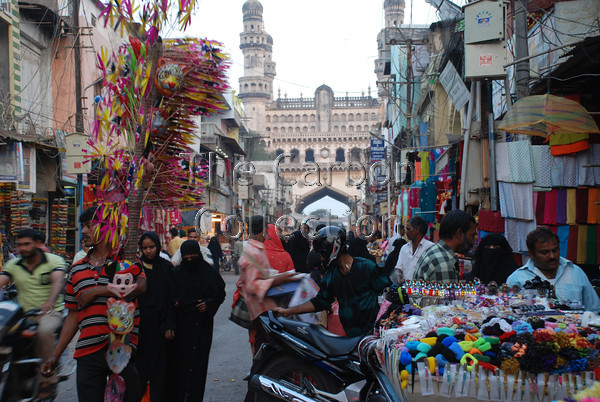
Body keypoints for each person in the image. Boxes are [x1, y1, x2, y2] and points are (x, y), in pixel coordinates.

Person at [41, 206, 146, 402]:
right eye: (83, 226)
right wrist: (55, 355)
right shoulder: (76, 269)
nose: (85, 231)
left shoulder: (125, 260)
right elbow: (73, 315)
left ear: (106, 227)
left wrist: (99, 290)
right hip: (87, 350)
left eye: (89, 225)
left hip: (121, 348)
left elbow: (140, 287)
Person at [276, 226, 392, 337]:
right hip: (349, 337)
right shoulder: (331, 275)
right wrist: (288, 311)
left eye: (323, 253)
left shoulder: (366, 267)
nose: (321, 258)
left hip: (373, 334)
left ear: (334, 248)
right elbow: (320, 302)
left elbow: (389, 290)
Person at [0, 229, 67, 399]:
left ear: (38, 244)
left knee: (44, 332)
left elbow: (58, 280)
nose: (22, 248)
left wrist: (50, 301)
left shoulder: (54, 260)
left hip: (49, 313)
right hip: (22, 315)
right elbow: (2, 280)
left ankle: (48, 380)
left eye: (26, 244)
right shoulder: (13, 264)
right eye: (19, 244)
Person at [171, 240, 225, 401]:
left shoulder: (208, 272)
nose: (190, 260)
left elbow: (219, 294)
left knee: (199, 365)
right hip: (182, 325)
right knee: (180, 364)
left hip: (202, 324)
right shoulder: (176, 273)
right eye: (186, 257)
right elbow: (170, 296)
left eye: (193, 256)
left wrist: (208, 305)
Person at [507, 228, 600, 311]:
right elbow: (510, 314)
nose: (552, 256)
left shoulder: (575, 272)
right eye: (544, 252)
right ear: (531, 254)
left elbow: (593, 309)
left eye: (555, 250)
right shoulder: (517, 279)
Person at [135, 231, 174, 401]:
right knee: (140, 366)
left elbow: (171, 298)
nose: (148, 251)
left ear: (158, 246)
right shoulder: (136, 268)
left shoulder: (166, 267)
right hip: (140, 324)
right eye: (145, 248)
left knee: (160, 367)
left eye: (151, 247)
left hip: (160, 324)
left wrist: (169, 324)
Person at [413, 210, 477, 283]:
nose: (473, 241)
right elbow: (448, 293)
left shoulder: (434, 251)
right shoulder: (444, 264)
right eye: (472, 235)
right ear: (460, 233)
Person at [393, 217, 434, 283]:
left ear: (417, 230)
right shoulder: (404, 248)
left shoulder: (430, 247)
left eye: (408, 229)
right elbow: (399, 267)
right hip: (405, 289)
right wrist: (398, 275)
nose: (406, 232)